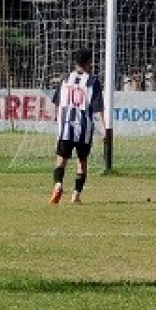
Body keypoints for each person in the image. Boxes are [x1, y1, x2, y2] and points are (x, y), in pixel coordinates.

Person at [50, 48, 105, 204]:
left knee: (61, 160)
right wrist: (104, 128)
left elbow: (57, 103)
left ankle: (58, 185)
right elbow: (98, 108)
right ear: (89, 62)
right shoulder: (93, 81)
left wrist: (58, 120)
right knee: (82, 161)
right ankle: (76, 195)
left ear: (75, 62)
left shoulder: (66, 78)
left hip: (65, 127)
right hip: (84, 129)